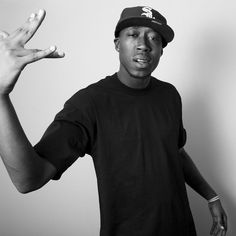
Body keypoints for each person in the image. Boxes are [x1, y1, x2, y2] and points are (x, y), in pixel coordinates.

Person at [0, 6, 228, 236]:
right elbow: (28, 179)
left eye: (154, 38)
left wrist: (211, 195)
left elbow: (175, 151)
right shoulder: (88, 104)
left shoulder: (169, 95)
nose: (143, 44)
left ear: (161, 51)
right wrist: (1, 97)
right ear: (117, 43)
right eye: (133, 34)